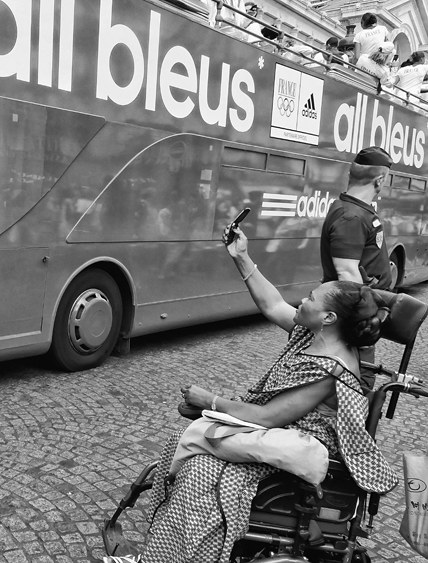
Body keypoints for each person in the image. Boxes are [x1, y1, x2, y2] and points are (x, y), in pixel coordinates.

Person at [105, 226, 396, 563]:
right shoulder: (313, 334)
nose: (303, 300)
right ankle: (166, 550)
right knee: (189, 445)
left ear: (329, 318)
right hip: (273, 435)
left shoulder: (331, 368)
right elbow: (272, 303)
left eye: (312, 299)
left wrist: (209, 402)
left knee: (201, 471)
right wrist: (241, 257)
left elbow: (267, 417)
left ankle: (182, 555)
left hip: (293, 453)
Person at [320, 146, 392, 392]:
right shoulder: (351, 216)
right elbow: (347, 274)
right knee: (358, 382)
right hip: (356, 317)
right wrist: (366, 322)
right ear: (379, 179)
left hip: (360, 311)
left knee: (359, 379)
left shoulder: (355, 210)